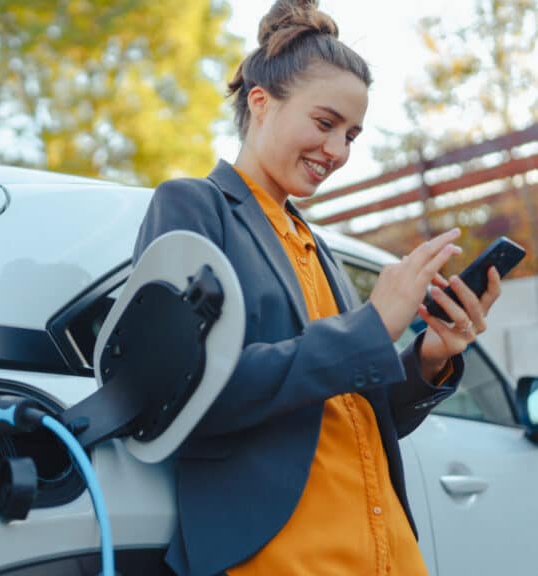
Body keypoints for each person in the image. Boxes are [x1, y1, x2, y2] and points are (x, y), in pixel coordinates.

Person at [132, 1, 503, 575]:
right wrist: (372, 326)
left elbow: (358, 413)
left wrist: (430, 357)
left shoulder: (316, 245)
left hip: (387, 553)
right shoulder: (194, 206)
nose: (339, 152)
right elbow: (186, 393)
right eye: (325, 124)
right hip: (285, 556)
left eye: (351, 135)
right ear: (261, 102)